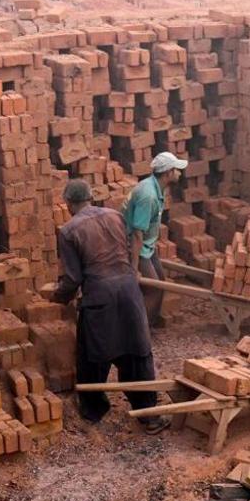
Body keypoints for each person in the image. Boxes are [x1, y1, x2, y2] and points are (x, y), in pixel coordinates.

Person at [51, 179, 168, 433]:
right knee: (136, 352)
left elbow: (73, 278)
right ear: (91, 198)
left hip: (100, 296)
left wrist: (58, 297)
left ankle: (93, 410)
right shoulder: (115, 215)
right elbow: (127, 248)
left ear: (69, 204)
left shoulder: (69, 231)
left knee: (92, 353)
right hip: (128, 291)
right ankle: (149, 415)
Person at [124, 151, 188, 327]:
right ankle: (136, 332)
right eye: (177, 170)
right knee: (154, 289)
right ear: (168, 173)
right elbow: (137, 234)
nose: (180, 173)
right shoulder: (149, 196)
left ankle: (147, 325)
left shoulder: (155, 188)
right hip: (137, 248)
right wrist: (134, 268)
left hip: (147, 247)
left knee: (161, 284)